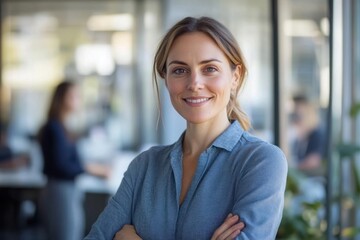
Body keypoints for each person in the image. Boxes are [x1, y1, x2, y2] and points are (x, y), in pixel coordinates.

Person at [84, 16, 287, 240]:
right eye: (180, 70)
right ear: (167, 79)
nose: (194, 84)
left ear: (235, 77)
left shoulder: (261, 161)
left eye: (209, 68)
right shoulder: (144, 166)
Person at [38, 81, 109, 240]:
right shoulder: (54, 128)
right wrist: (90, 169)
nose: (78, 99)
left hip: (66, 190)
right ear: (61, 99)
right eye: (73, 96)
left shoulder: (62, 126)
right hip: (59, 191)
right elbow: (61, 165)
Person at [290, 95, 325, 175]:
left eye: (298, 115)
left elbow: (313, 162)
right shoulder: (300, 136)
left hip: (313, 180)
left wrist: (292, 168)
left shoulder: (316, 134)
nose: (295, 118)